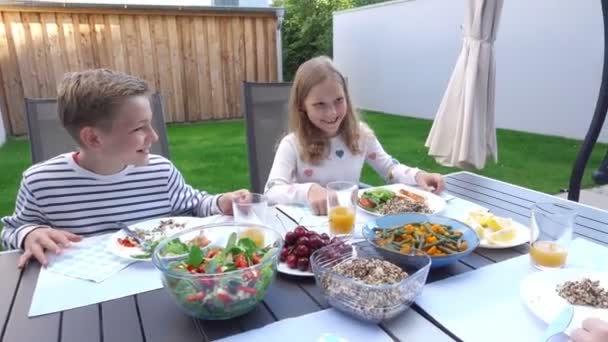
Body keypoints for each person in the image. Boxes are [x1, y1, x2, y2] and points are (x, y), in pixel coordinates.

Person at [1, 69, 248, 268]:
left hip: (160, 280)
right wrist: (29, 234)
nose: (154, 136)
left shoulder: (160, 172)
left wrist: (221, 202)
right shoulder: (41, 183)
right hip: (87, 291)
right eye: (139, 128)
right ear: (94, 139)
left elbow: (194, 206)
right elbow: (12, 231)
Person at [264, 56, 444, 214]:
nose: (332, 112)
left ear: (347, 98)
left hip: (351, 224)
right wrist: (309, 191)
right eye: (320, 104)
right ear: (302, 107)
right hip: (308, 233)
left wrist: (417, 175)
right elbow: (272, 191)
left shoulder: (361, 135)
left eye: (338, 100)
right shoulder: (292, 145)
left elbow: (389, 169)